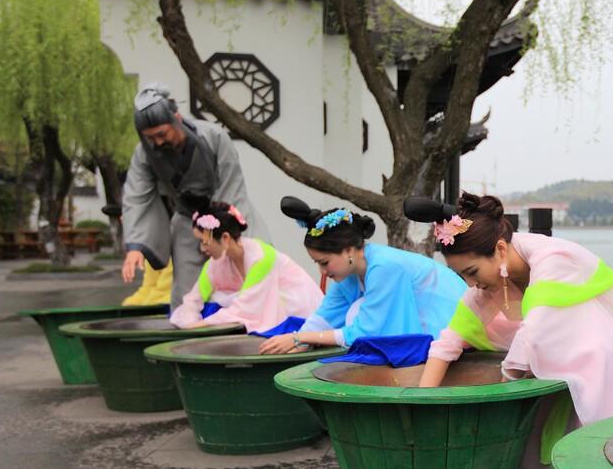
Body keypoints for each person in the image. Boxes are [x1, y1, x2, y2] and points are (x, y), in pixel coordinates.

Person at [410, 192, 613, 469]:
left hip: (601, 355)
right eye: (461, 276)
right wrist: (421, 404)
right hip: (552, 358)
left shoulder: (554, 259)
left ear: (498, 250)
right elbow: (448, 342)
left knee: (590, 371)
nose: (470, 283)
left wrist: (501, 390)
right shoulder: (490, 279)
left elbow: (536, 330)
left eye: (471, 272)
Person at [258, 197, 464, 354]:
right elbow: (324, 318)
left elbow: (368, 332)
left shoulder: (384, 267)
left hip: (451, 329)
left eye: (324, 263)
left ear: (348, 250)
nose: (322, 272)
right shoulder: (349, 273)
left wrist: (302, 338)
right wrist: (297, 340)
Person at [121, 83, 264, 307]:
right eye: (150, 138)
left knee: (249, 278)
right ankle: (188, 337)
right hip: (188, 221)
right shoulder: (144, 154)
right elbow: (136, 195)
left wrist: (220, 229)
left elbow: (231, 184)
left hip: (229, 218)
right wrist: (135, 247)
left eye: (161, 134)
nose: (158, 142)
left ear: (176, 117)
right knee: (187, 293)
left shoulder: (213, 137)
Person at [169, 198, 324, 332]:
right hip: (254, 307)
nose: (202, 249)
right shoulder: (216, 262)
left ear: (225, 237)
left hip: (293, 310)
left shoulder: (261, 257)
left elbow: (245, 308)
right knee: (211, 308)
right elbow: (194, 299)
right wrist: (190, 322)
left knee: (221, 313)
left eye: (204, 242)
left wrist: (200, 326)